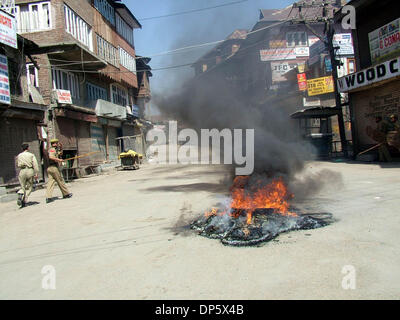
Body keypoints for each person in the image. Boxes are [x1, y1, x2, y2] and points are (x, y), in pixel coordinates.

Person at [45, 139, 72, 203]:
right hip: (53, 167)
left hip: (50, 168)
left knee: (50, 183)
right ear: (54, 143)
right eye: (56, 143)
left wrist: (61, 147)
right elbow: (51, 157)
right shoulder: (52, 149)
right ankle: (66, 194)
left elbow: (60, 153)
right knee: (60, 180)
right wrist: (59, 160)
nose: (57, 144)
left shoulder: (55, 150)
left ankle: (48, 197)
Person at [16, 143, 39, 208]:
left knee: (22, 186)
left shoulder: (19, 155)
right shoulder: (31, 155)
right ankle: (24, 199)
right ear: (28, 148)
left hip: (22, 171)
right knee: (29, 187)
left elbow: (18, 164)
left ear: (22, 148)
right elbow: (35, 165)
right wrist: (36, 173)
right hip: (29, 170)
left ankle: (21, 194)